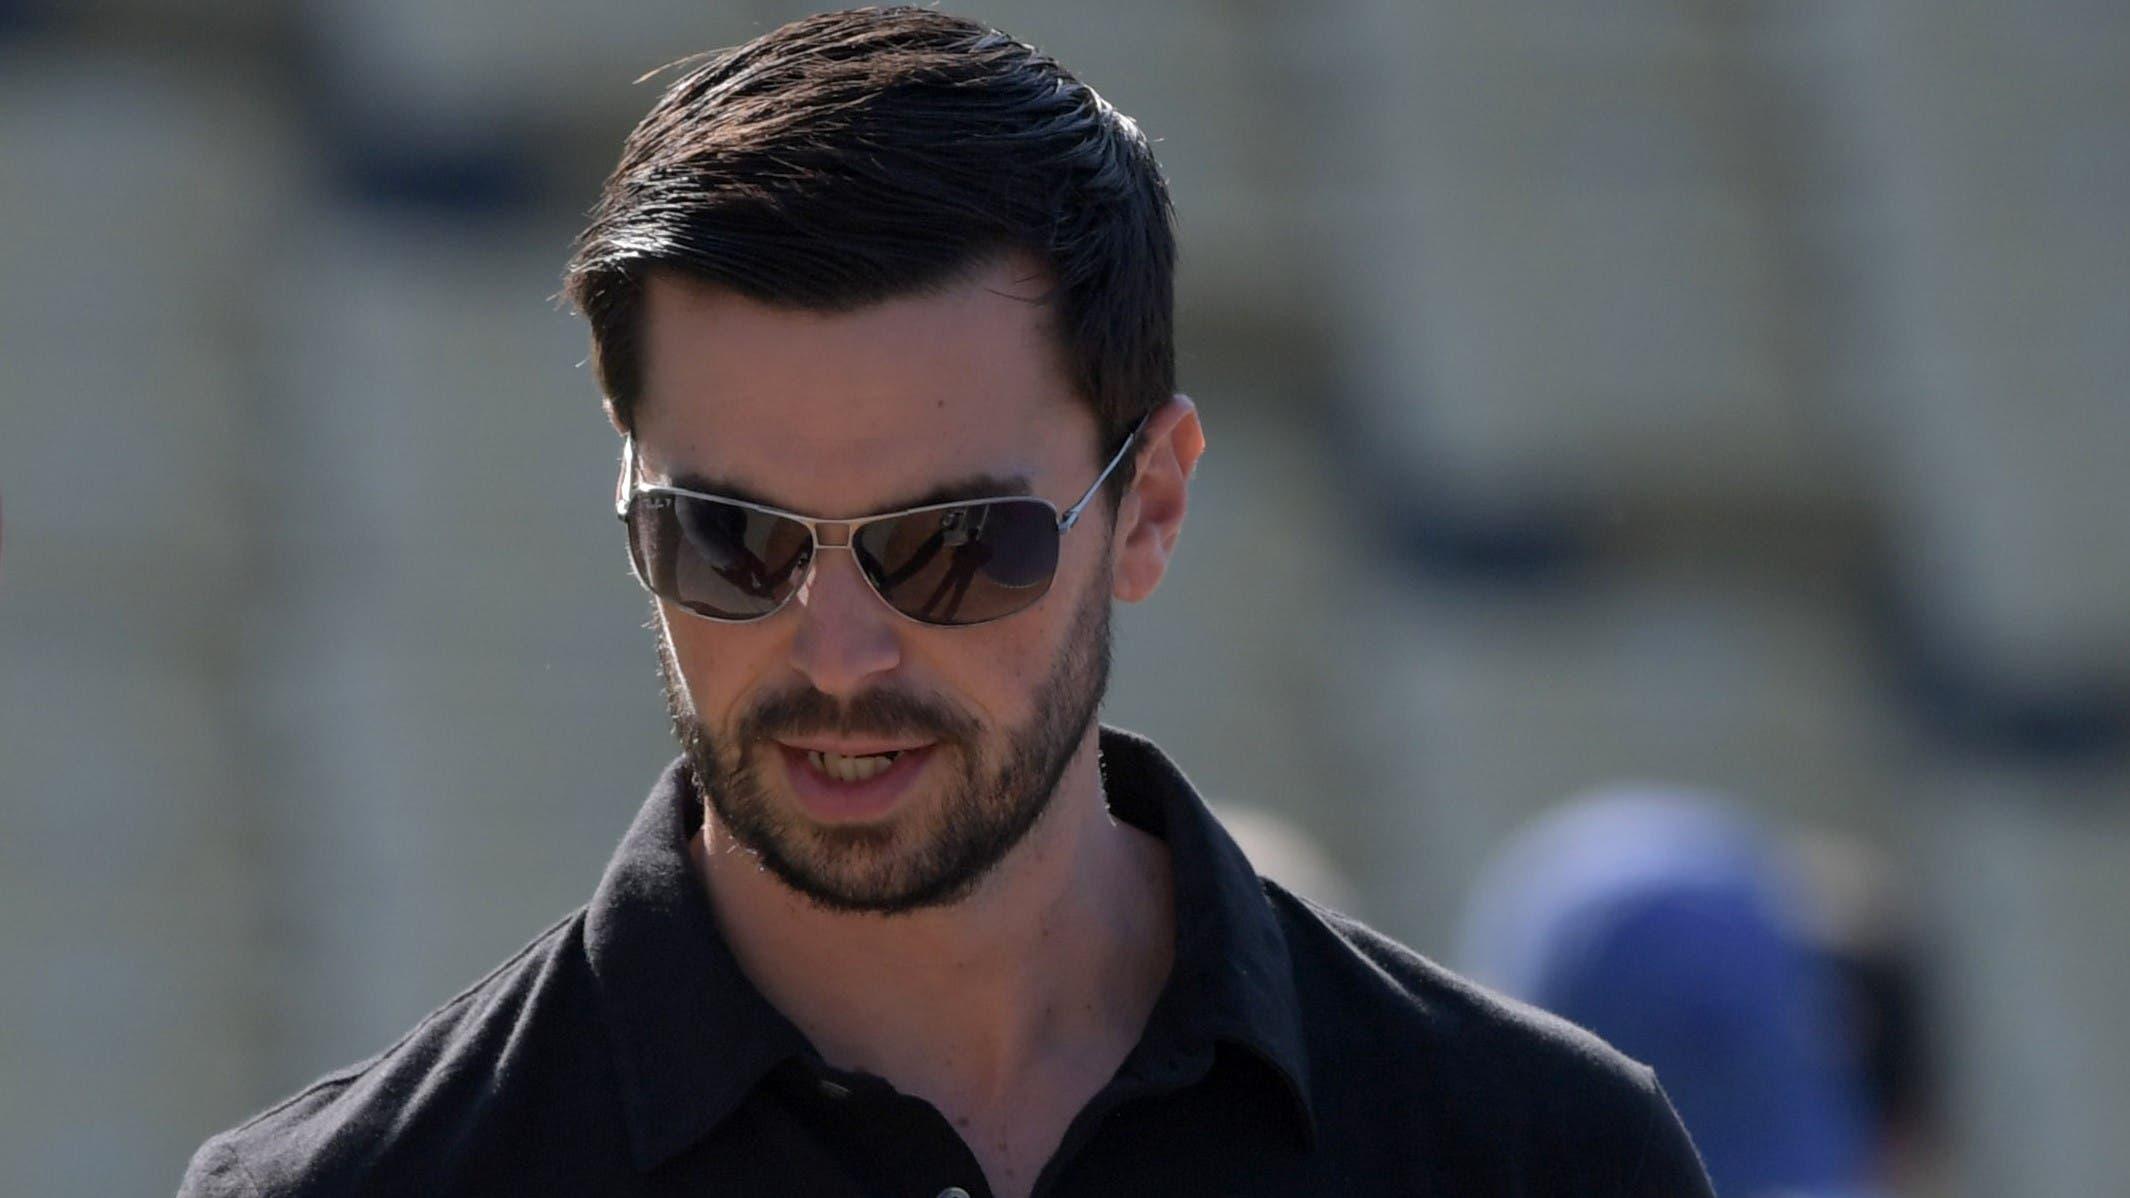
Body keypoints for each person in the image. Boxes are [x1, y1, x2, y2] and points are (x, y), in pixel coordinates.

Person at [179, 10, 1714, 1196]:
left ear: (1150, 505)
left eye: (951, 545)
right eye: (731, 538)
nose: (836, 651)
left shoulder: (1536, 1157)